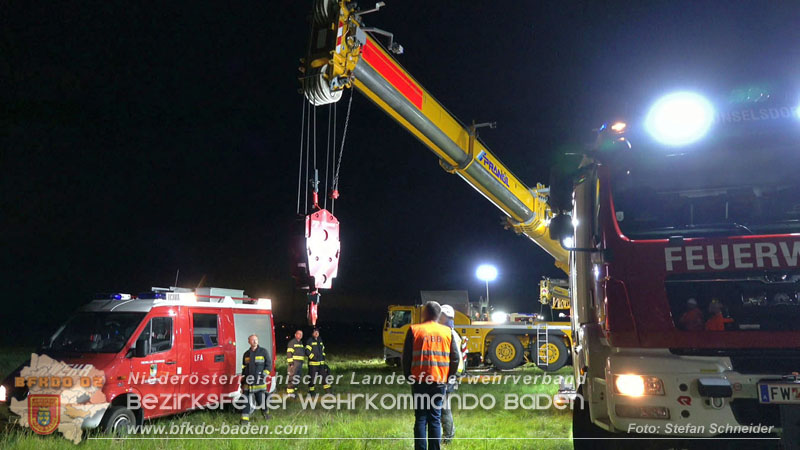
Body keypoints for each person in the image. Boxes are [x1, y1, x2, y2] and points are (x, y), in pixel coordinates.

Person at [403, 301, 459, 450]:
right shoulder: (448, 332)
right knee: (435, 417)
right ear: (438, 315)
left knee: (421, 418)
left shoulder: (414, 330)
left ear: (424, 313)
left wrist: (408, 375)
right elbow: (455, 358)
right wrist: (449, 376)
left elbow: (406, 357)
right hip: (439, 381)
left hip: (419, 380)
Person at [438, 305, 464, 444]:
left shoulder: (447, 332)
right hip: (455, 372)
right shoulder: (454, 332)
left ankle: (448, 437)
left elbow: (452, 356)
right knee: (443, 404)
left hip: (450, 372)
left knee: (443, 407)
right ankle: (447, 435)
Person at [240, 334, 272, 422]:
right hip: (247, 383)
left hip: (259, 383)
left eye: (256, 340)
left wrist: (263, 375)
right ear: (249, 341)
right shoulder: (246, 354)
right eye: (253, 340)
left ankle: (266, 415)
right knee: (245, 402)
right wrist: (242, 380)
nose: (255, 341)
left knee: (261, 401)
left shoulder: (263, 352)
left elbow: (269, 365)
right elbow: (244, 367)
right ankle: (244, 420)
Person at [305, 328, 332, 393]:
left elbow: (322, 350)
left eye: (317, 332)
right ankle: (311, 392)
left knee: (324, 377)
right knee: (312, 379)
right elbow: (307, 351)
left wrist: (323, 357)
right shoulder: (310, 341)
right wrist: (313, 358)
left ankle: (328, 392)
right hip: (313, 364)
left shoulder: (320, 340)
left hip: (321, 364)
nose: (316, 333)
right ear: (312, 333)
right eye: (315, 332)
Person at [286, 330, 306, 396]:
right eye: (299, 334)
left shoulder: (300, 343)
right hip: (294, 363)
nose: (300, 335)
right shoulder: (292, 342)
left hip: (299, 363)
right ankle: (290, 393)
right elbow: (289, 353)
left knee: (297, 377)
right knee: (292, 377)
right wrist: (291, 363)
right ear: (295, 335)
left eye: (301, 334)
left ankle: (295, 391)